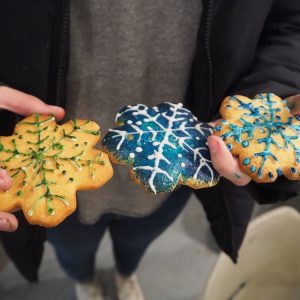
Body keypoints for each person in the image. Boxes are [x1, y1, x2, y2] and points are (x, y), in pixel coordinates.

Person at [0, 1, 300, 300]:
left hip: (184, 160)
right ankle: (85, 281)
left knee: (135, 244)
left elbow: (289, 23)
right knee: (74, 254)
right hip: (41, 180)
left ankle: (125, 275)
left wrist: (277, 104)